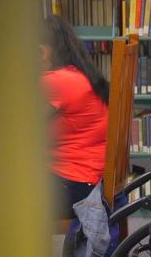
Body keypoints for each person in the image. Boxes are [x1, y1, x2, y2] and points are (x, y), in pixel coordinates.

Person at [39, 15, 109, 218]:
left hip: (73, 186)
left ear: (42, 52)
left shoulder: (55, 81)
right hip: (92, 181)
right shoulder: (80, 74)